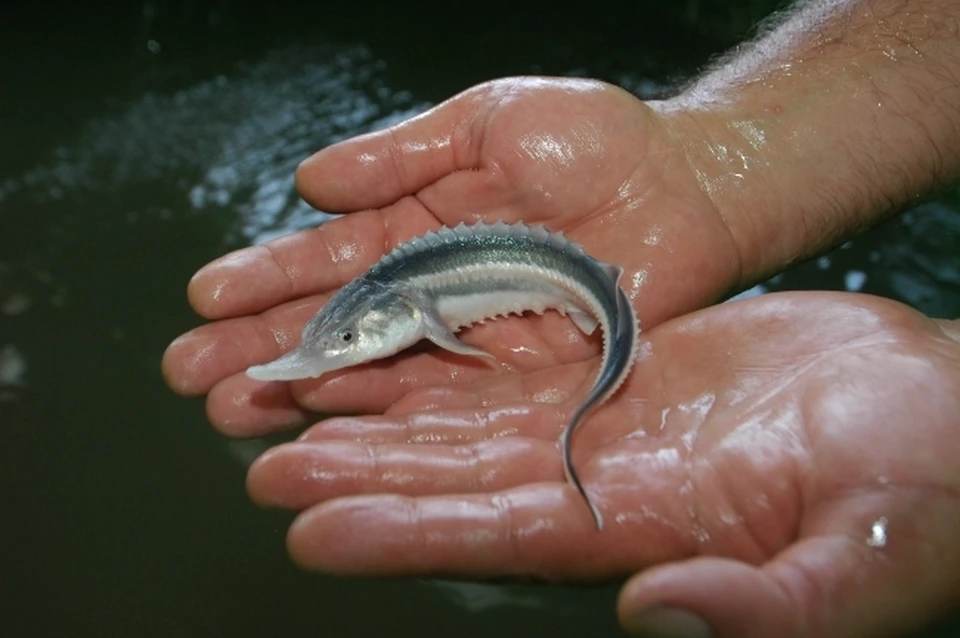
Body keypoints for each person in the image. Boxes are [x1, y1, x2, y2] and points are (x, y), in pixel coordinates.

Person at [162, 0, 960, 635]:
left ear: (407, 316)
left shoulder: (427, 312)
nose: (332, 354)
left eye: (341, 342)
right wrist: (713, 153)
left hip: (570, 283)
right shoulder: (391, 296)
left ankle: (600, 357)